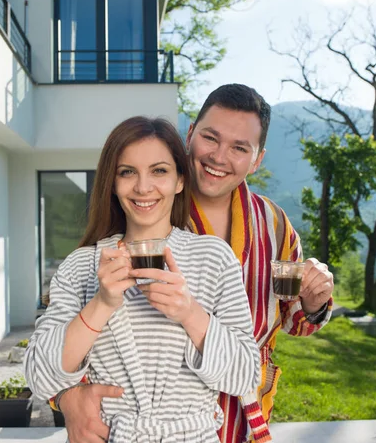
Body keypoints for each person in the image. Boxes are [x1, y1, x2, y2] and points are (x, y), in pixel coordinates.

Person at [51, 85, 335, 443]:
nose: (219, 156)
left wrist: (313, 301)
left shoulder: (275, 225)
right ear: (190, 134)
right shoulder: (143, 212)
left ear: (257, 159)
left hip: (242, 417)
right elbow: (66, 328)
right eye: (210, 138)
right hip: (139, 418)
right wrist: (66, 397)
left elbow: (292, 318)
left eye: (239, 148)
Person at [24, 116, 262, 442]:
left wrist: (190, 313)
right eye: (127, 172)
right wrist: (102, 303)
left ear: (180, 180)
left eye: (159, 171)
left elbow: (246, 376)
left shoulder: (214, 258)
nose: (143, 187)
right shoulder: (81, 266)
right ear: (113, 182)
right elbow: (39, 377)